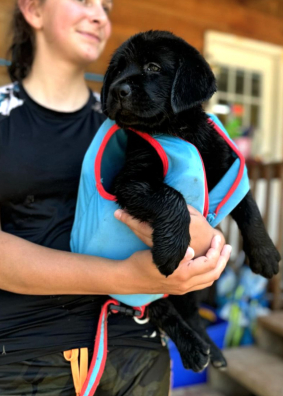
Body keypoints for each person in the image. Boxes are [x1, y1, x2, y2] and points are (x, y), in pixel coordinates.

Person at [0, 0, 231, 395]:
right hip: (26, 354)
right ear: (33, 10)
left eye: (106, 7)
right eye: (84, 1)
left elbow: (192, 219)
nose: (98, 15)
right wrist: (120, 276)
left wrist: (206, 249)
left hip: (138, 350)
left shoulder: (137, 124)